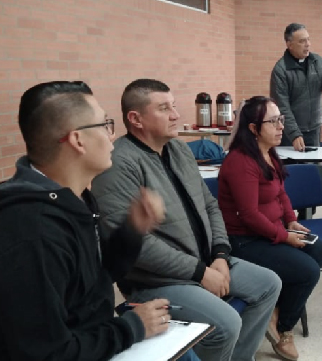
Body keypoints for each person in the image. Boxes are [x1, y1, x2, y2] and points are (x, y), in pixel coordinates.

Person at [0, 81, 199, 360]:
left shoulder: (75, 197)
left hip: (96, 334)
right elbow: (46, 352)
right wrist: (131, 327)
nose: (111, 136)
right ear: (77, 140)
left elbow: (96, 279)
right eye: (105, 125)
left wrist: (132, 230)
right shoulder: (34, 231)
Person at [91, 79, 282, 361]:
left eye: (175, 106)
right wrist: (201, 273)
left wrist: (219, 254)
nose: (176, 115)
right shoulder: (119, 163)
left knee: (269, 284)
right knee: (226, 324)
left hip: (205, 261)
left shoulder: (179, 149)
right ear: (136, 118)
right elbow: (138, 245)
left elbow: (209, 205)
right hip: (156, 281)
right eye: (164, 108)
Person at [218, 96, 322, 361]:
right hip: (244, 240)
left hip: (270, 230)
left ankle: (274, 310)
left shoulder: (268, 153)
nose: (281, 126)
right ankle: (283, 329)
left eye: (281, 119)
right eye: (273, 121)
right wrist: (284, 237)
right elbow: (248, 216)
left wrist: (290, 220)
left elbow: (280, 193)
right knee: (308, 271)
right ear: (254, 128)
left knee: (319, 250)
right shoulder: (240, 161)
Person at [270, 22, 322, 151]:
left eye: (308, 39)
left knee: (313, 166)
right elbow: (282, 107)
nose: (308, 44)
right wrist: (294, 134)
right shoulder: (281, 70)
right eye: (302, 41)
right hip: (289, 134)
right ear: (289, 44)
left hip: (313, 130)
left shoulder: (318, 62)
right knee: (291, 168)